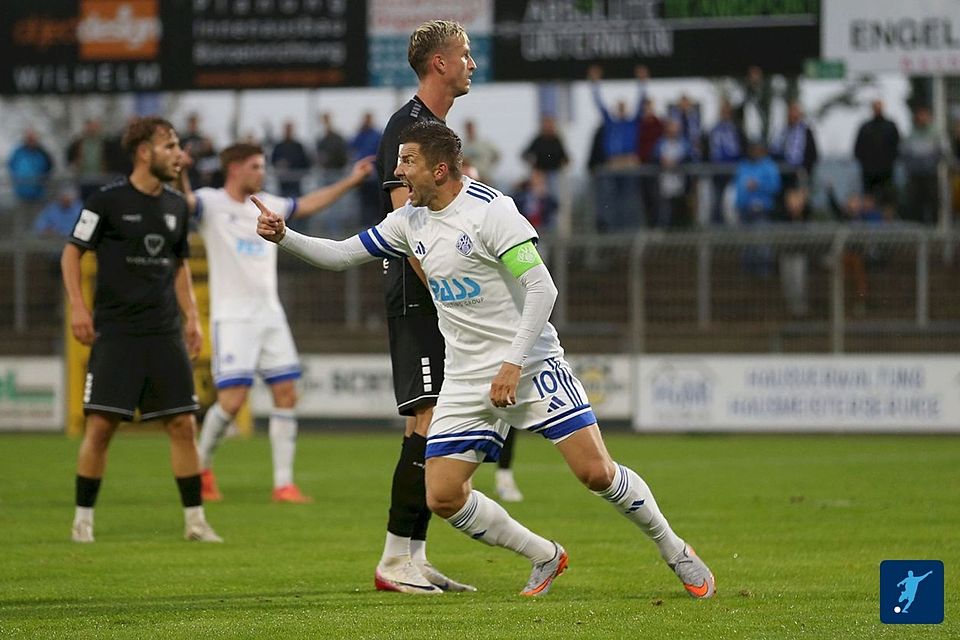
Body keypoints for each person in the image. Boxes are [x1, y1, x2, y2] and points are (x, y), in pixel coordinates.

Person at [254, 120, 716, 599]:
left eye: (406, 161)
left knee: (596, 473)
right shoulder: (408, 221)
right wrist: (286, 236)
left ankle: (674, 549)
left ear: (438, 169)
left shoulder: (491, 211)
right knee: (443, 497)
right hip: (465, 377)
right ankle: (544, 554)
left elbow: (542, 288)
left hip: (531, 366)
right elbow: (342, 254)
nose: (396, 172)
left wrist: (513, 363)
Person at [178, 143, 374, 503]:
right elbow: (184, 202)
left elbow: (309, 203)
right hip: (233, 317)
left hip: (270, 314)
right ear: (234, 168)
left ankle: (284, 484)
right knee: (233, 401)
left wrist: (351, 181)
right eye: (255, 166)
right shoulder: (211, 202)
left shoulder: (268, 203)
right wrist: (179, 171)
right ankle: (200, 468)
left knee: (286, 394)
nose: (261, 172)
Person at [62, 116, 221, 544]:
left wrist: (191, 318)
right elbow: (72, 254)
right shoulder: (105, 201)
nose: (179, 155)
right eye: (170, 146)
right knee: (100, 427)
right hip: (116, 333)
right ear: (144, 152)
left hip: (163, 332)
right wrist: (79, 307)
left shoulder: (174, 206)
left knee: (183, 425)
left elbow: (180, 266)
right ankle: (83, 521)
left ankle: (194, 521)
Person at [369, 19, 477, 594]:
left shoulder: (430, 128)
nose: (471, 64)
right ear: (440, 63)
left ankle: (414, 554)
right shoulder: (409, 128)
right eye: (465, 54)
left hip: (433, 295)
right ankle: (392, 559)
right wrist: (440, 291)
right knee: (426, 420)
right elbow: (404, 223)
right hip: (418, 293)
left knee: (433, 422)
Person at [853, 99, 900, 206]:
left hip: (886, 169)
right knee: (869, 197)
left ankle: (887, 219)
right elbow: (858, 148)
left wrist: (890, 161)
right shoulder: (865, 127)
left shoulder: (890, 126)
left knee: (887, 197)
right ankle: (869, 219)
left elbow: (896, 146)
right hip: (869, 170)